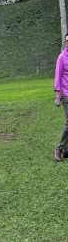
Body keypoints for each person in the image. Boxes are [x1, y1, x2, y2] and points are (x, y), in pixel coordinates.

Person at [54, 32, 68, 162]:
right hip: (66, 94)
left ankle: (66, 150)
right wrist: (57, 95)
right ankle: (59, 148)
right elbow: (57, 76)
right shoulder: (62, 57)